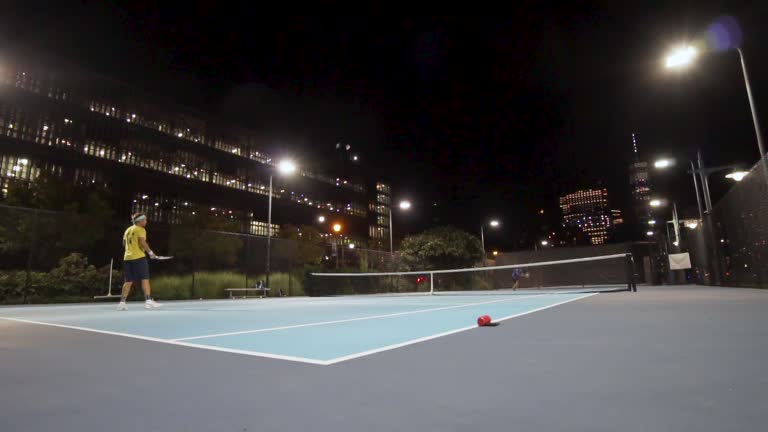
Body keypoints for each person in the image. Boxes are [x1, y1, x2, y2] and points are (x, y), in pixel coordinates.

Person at [116, 213, 162, 311]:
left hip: (127, 258)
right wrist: (150, 253)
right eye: (144, 220)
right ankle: (148, 301)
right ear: (139, 221)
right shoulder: (141, 229)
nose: (146, 221)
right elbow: (142, 242)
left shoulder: (128, 230)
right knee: (145, 279)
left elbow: (124, 244)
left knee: (128, 281)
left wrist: (133, 249)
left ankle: (122, 303)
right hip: (139, 258)